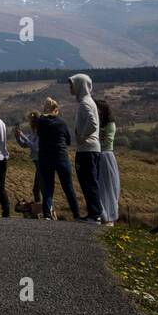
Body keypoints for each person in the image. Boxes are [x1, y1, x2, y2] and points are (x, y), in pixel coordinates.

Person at [35, 97, 81, 220]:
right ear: (56, 110)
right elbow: (68, 140)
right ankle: (76, 214)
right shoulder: (61, 122)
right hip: (61, 157)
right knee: (68, 187)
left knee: (48, 188)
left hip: (45, 158)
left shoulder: (40, 122)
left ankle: (47, 214)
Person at [69, 73, 103, 223]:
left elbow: (93, 123)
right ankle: (92, 213)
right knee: (89, 182)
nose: (70, 87)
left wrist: (82, 136)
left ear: (79, 85)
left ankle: (95, 215)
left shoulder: (85, 103)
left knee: (89, 182)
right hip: (90, 148)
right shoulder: (86, 101)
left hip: (87, 149)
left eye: (72, 84)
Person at [96, 99, 121, 224]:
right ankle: (101, 213)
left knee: (109, 186)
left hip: (105, 156)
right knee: (100, 187)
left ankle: (109, 215)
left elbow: (107, 141)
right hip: (99, 155)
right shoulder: (99, 124)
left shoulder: (110, 124)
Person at [14, 111, 41, 203]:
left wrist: (22, 136)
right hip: (38, 164)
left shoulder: (40, 133)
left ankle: (43, 210)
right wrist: (18, 137)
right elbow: (24, 145)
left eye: (31, 121)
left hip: (41, 163)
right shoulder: (34, 132)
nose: (30, 123)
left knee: (38, 189)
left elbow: (35, 147)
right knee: (37, 189)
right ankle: (40, 209)